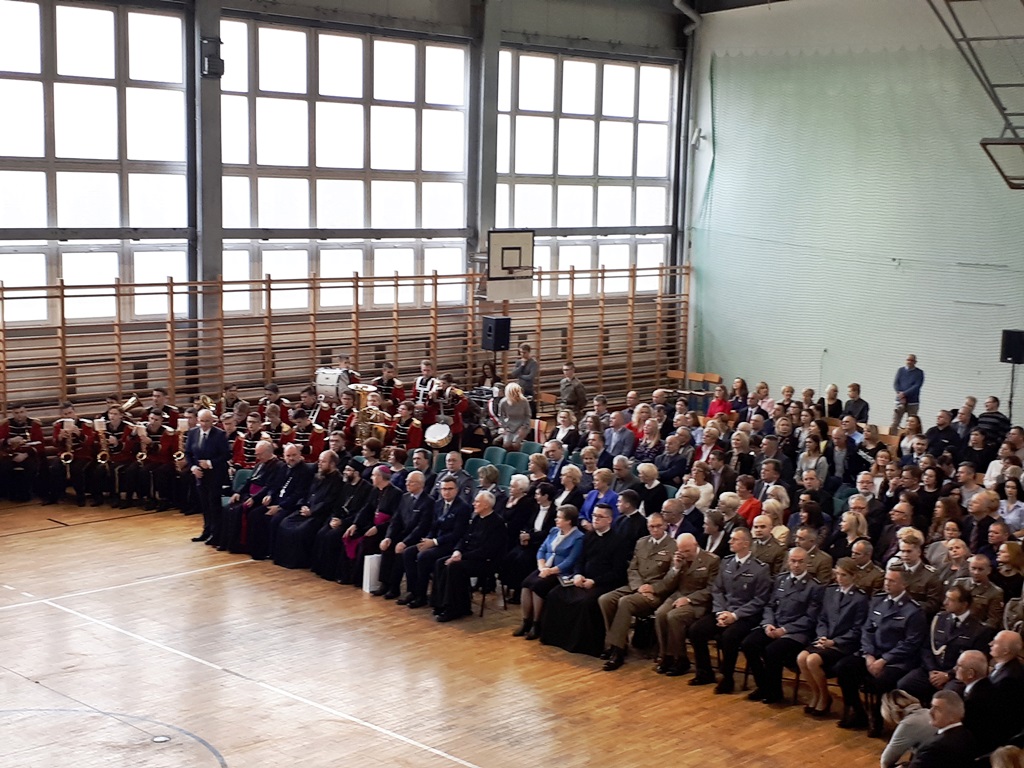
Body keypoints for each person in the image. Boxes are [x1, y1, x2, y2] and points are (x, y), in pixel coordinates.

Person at [836, 566, 927, 735]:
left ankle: (876, 717)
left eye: (892, 581)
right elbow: (867, 630)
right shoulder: (878, 601)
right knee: (844, 667)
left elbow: (911, 643)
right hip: (873, 655)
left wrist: (884, 660)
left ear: (904, 584)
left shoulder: (913, 610)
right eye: (886, 579)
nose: (887, 584)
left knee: (881, 681)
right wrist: (869, 655)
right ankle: (857, 710)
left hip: (896, 661)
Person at [688, 527, 772, 693]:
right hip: (724, 610)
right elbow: (718, 590)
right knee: (696, 630)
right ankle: (704, 672)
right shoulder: (726, 562)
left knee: (729, 637)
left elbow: (759, 600)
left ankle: (727, 678)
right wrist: (720, 612)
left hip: (746, 615)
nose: (730, 542)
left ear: (746, 543)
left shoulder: (760, 569)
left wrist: (734, 615)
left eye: (734, 539)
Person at [742, 546, 824, 704]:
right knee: (749, 644)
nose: (796, 565)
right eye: (793, 561)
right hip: (775, 625)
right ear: (788, 562)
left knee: (772, 650)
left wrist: (785, 630)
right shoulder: (781, 579)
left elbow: (810, 618)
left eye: (800, 562)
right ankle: (763, 686)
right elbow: (769, 605)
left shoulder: (814, 587)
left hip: (796, 632)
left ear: (807, 563)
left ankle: (774, 692)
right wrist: (768, 623)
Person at [541, 504, 627, 656]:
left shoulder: (619, 540)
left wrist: (594, 581)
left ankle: (582, 645)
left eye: (599, 517)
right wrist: (577, 574)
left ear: (609, 519)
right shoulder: (589, 536)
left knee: (585, 603)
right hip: (583, 579)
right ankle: (558, 638)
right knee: (555, 594)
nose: (595, 519)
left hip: (605, 583)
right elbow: (580, 560)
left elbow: (618, 572)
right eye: (594, 516)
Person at [597, 512, 675, 671]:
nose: (655, 529)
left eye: (658, 526)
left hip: (656, 593)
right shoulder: (642, 542)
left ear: (665, 525)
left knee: (625, 602)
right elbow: (632, 568)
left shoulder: (673, 546)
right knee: (605, 599)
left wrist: (653, 588)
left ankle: (617, 651)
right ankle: (620, 642)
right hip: (636, 586)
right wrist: (638, 586)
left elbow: (673, 577)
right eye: (651, 526)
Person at [797, 558, 870, 717]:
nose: (839, 578)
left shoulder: (860, 598)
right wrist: (822, 636)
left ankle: (825, 697)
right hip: (825, 639)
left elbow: (857, 629)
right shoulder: (830, 591)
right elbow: (822, 618)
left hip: (844, 644)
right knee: (801, 658)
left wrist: (834, 641)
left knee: (812, 660)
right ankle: (816, 693)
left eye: (844, 575)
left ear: (853, 576)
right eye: (837, 574)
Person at [896, 584, 988, 704]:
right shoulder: (939, 619)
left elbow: (974, 662)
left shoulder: (978, 630)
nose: (945, 603)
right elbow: (926, 648)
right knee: (904, 685)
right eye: (946, 598)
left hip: (956, 675)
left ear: (964, 604)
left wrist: (948, 675)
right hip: (932, 669)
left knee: (948, 696)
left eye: (951, 600)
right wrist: (932, 671)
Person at [397, 475, 472, 609]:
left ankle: (421, 596)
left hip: (450, 545)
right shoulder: (438, 504)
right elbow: (433, 527)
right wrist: (427, 540)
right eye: (444, 489)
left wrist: (434, 542)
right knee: (408, 552)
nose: (446, 492)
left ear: (456, 490)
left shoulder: (463, 507)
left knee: (423, 556)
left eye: (450, 489)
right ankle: (413, 591)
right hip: (435, 541)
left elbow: (457, 534)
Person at [431, 491, 507, 622]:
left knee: (454, 567)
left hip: (485, 561)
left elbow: (487, 550)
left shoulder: (497, 523)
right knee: (440, 563)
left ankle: (454, 608)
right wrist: (457, 551)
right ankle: (440, 603)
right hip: (468, 556)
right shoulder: (477, 518)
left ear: (486, 505)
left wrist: (462, 556)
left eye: (477, 502)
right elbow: (464, 538)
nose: (473, 504)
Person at [652, 532, 720, 676]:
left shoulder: (711, 560)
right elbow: (667, 585)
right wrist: (675, 568)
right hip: (678, 595)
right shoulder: (678, 557)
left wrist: (689, 599)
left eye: (687, 551)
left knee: (674, 616)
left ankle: (681, 659)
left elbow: (711, 589)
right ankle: (666, 656)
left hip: (699, 602)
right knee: (660, 614)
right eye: (681, 551)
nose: (684, 554)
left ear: (696, 545)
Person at [514, 505, 585, 640]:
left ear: (568, 521)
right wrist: (542, 566)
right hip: (545, 567)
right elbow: (542, 549)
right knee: (526, 584)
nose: (556, 520)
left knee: (538, 587)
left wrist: (551, 571)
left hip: (560, 572)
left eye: (559, 517)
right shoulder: (554, 531)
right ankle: (526, 621)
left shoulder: (578, 537)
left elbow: (571, 560)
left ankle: (537, 623)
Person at [272, 450, 344, 569]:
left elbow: (329, 502)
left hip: (319, 514)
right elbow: (306, 493)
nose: (319, 464)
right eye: (319, 461)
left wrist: (312, 511)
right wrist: (303, 505)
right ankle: (282, 559)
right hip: (306, 509)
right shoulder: (317, 476)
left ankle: (297, 562)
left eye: (323, 462)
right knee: (284, 523)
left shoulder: (338, 481)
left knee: (300, 531)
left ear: (332, 464)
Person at [372, 470, 432, 599]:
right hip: (402, 533)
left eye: (411, 482)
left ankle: (396, 588)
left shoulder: (428, 501)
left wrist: (405, 542)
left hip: (416, 537)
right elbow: (396, 520)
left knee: (401, 552)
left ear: (421, 484)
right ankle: (385, 583)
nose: (407, 484)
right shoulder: (405, 497)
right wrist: (388, 537)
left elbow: (422, 527)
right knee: (387, 546)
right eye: (407, 481)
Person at [186, 409, 231, 544]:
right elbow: (188, 453)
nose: (204, 424)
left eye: (207, 421)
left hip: (215, 475)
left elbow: (226, 455)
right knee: (204, 504)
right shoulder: (193, 433)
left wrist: (210, 463)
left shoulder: (220, 434)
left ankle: (215, 533)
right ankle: (206, 530)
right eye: (202, 421)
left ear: (212, 421)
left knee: (213, 504)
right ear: (198, 420)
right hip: (200, 475)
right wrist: (193, 467)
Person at [906, 690, 975, 768]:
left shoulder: (934, 747)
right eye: (931, 706)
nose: (930, 712)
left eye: (937, 709)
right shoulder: (967, 735)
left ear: (952, 716)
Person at [955, 554, 1006, 631]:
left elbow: (993, 621)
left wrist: (977, 632)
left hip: (976, 631)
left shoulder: (995, 592)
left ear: (989, 570)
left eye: (980, 569)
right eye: (973, 568)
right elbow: (948, 607)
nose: (976, 572)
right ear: (969, 567)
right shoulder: (959, 583)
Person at [892, 354, 925, 431]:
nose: (909, 362)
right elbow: (896, 383)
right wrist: (899, 394)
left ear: (915, 362)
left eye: (912, 360)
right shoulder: (900, 370)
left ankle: (910, 436)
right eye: (908, 360)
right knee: (895, 422)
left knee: (911, 423)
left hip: (913, 402)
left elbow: (917, 385)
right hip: (900, 401)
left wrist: (904, 394)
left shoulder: (919, 372)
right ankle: (892, 436)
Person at [496, 382, 531, 451]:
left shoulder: (524, 401)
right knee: (506, 444)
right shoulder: (503, 402)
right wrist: (504, 427)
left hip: (522, 426)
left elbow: (527, 415)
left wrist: (523, 427)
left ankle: (518, 455)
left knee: (515, 444)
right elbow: (501, 416)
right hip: (509, 426)